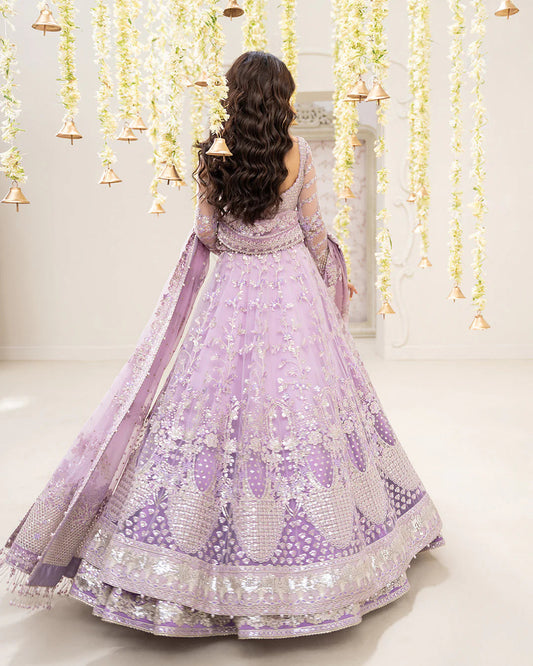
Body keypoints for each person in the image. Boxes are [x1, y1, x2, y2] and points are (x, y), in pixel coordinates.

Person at [0, 51, 444, 640]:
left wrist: (239, 235)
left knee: (212, 409)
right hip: (291, 291)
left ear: (235, 95)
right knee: (302, 405)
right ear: (279, 97)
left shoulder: (214, 152)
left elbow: (206, 232)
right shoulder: (298, 152)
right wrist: (329, 274)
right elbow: (313, 230)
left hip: (230, 291)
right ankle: (328, 556)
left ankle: (180, 560)